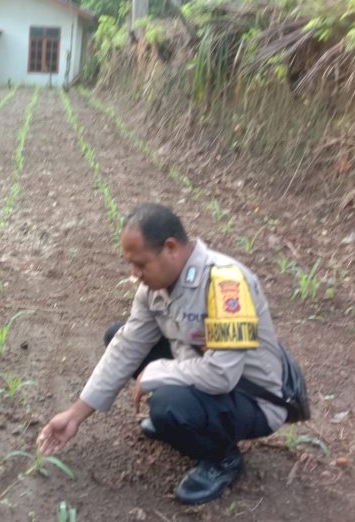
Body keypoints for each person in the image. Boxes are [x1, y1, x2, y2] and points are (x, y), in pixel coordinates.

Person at [37, 203, 288, 504]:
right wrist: (75, 415)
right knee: (117, 335)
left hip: (253, 399)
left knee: (168, 404)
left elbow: (223, 375)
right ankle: (183, 418)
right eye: (130, 264)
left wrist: (157, 374)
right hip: (205, 375)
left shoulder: (226, 284)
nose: (134, 274)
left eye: (140, 264)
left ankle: (222, 460)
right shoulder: (153, 289)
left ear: (170, 248)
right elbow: (127, 346)